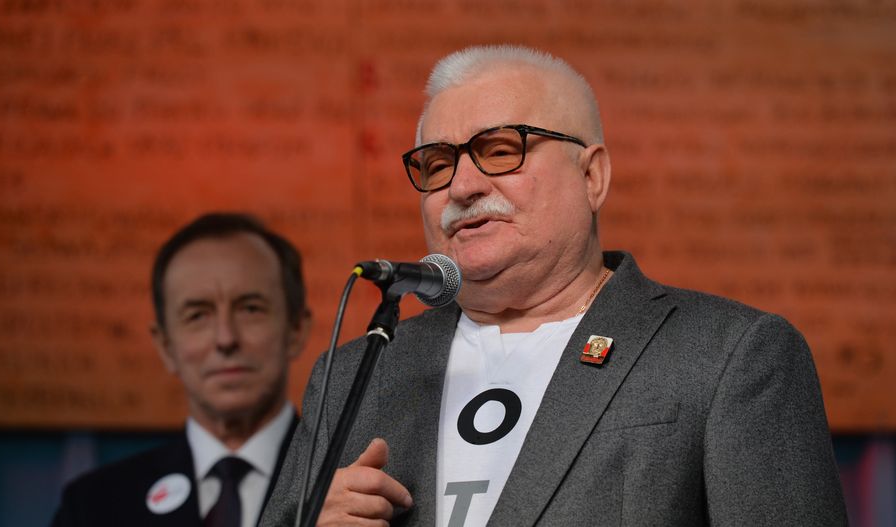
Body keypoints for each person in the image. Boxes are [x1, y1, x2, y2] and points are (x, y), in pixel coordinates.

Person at [260, 45, 847, 527]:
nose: (460, 185)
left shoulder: (728, 356)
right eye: (437, 164)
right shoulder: (361, 373)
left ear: (591, 176)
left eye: (499, 150)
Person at [54, 212, 311, 527]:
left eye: (250, 309)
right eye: (197, 316)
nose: (225, 339)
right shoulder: (94, 506)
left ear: (296, 330)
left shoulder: (358, 488)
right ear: (165, 346)